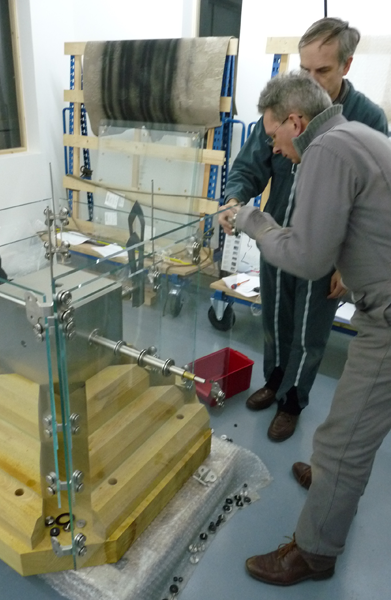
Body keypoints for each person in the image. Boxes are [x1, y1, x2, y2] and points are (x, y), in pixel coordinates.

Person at [232, 70, 391, 586]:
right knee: (344, 415)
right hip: (378, 306)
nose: (276, 148)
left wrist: (252, 221)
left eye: (275, 135)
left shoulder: (326, 150)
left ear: (297, 122)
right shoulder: (353, 135)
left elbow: (306, 256)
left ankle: (315, 553)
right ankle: (326, 479)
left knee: (346, 438)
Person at [219, 18, 388, 442]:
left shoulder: (366, 119)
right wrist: (236, 200)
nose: (311, 80)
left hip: (328, 256)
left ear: (346, 66)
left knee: (311, 333)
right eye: (305, 69)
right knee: (275, 319)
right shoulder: (285, 105)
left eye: (323, 71)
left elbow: (372, 206)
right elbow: (250, 165)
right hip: (279, 241)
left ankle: (294, 400)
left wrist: (345, 268)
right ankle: (274, 381)